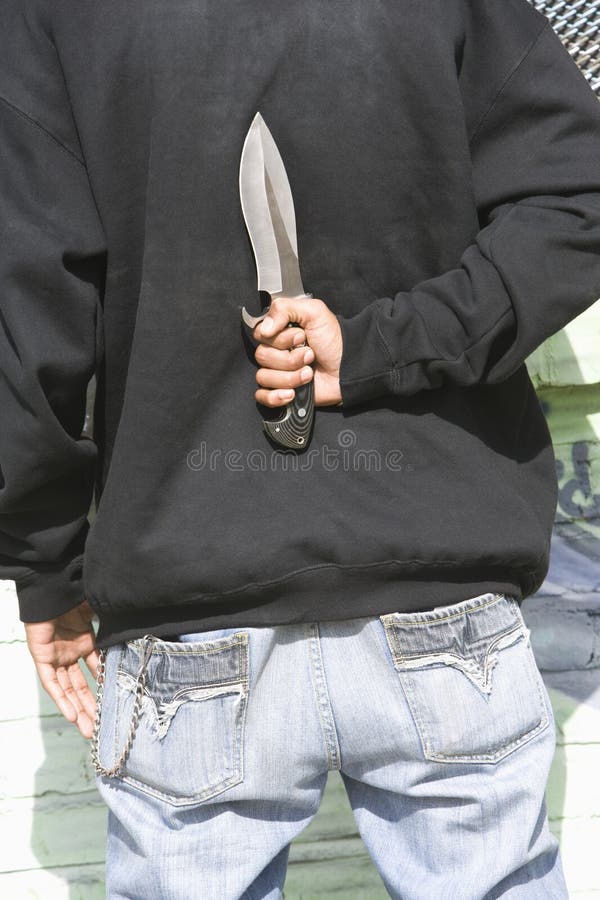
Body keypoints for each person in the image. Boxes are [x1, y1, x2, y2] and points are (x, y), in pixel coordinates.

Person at [2, 0, 600, 896]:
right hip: (443, 613)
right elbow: (575, 200)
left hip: (193, 622)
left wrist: (45, 565)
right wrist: (397, 341)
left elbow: (29, 315)